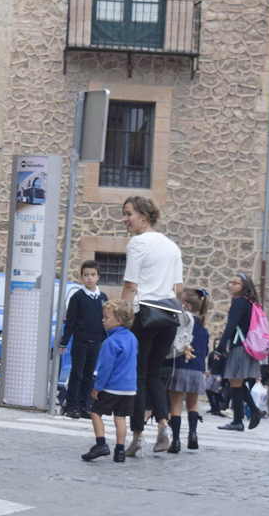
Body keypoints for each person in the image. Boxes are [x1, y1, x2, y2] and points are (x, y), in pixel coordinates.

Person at [120, 196, 183, 457]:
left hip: (145, 315)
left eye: (129, 214)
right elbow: (178, 290)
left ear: (143, 216)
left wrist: (122, 322)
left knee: (137, 374)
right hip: (168, 317)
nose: (125, 220)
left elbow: (130, 287)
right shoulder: (172, 247)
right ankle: (164, 425)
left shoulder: (138, 243)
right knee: (154, 373)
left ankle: (137, 435)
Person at [81, 299, 138, 462]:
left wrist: (97, 387)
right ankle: (120, 450)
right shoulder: (132, 338)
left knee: (95, 411)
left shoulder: (110, 342)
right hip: (129, 388)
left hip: (112, 386)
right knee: (120, 417)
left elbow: (106, 368)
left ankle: (101, 443)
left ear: (118, 321)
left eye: (106, 317)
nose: (103, 320)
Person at [59, 260, 108, 420]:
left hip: (96, 342)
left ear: (98, 276)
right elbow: (70, 321)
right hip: (80, 341)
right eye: (86, 275)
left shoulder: (102, 297)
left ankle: (84, 405)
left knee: (89, 375)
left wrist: (105, 340)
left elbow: (105, 320)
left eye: (93, 275)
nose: (90, 278)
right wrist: (64, 341)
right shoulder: (77, 297)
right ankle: (72, 405)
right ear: (81, 277)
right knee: (77, 373)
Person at [216, 273, 264, 431]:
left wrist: (221, 346)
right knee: (236, 382)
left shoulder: (239, 302)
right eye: (231, 282)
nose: (231, 285)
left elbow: (231, 325)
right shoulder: (250, 303)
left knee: (235, 380)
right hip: (245, 345)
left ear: (244, 287)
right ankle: (241, 418)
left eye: (235, 283)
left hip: (240, 346)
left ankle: (246, 416)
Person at [167, 288, 210, 452]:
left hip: (180, 366)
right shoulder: (203, 325)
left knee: (176, 405)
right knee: (193, 404)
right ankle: (193, 435)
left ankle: (176, 441)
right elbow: (205, 351)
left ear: (185, 306)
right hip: (197, 369)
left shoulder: (181, 322)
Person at [204, 347, 226, 416]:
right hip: (212, 374)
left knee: (216, 391)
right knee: (207, 389)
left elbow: (225, 367)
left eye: (218, 343)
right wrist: (209, 370)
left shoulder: (223, 355)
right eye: (216, 343)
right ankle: (212, 406)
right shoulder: (211, 354)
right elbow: (209, 363)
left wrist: (221, 376)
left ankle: (217, 408)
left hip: (219, 375)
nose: (217, 345)